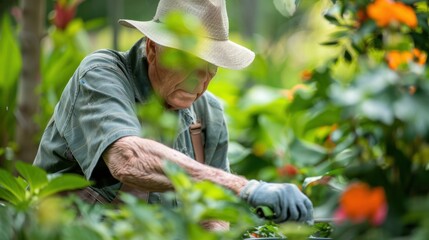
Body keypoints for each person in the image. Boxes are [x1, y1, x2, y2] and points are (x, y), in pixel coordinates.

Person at [34, 0, 313, 231]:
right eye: (189, 62)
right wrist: (245, 188)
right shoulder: (101, 74)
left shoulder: (208, 113)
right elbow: (127, 158)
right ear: (153, 49)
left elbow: (212, 215)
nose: (200, 82)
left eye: (211, 67)